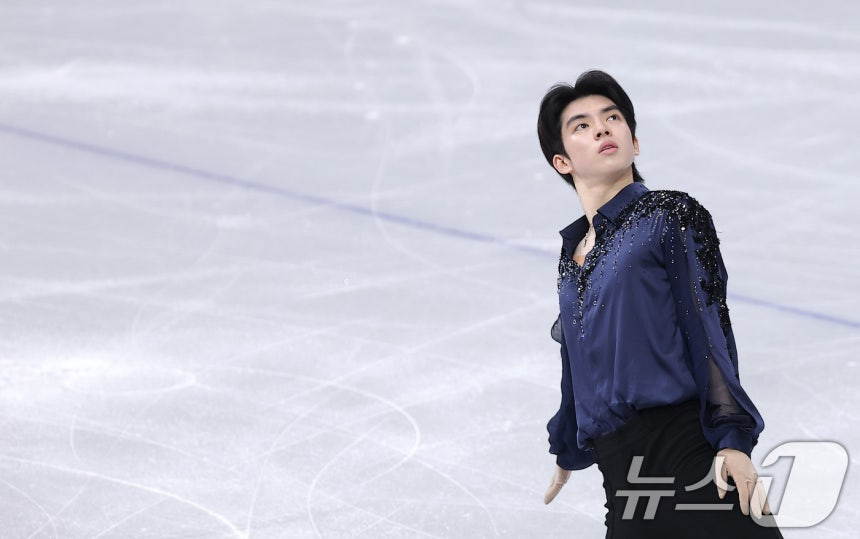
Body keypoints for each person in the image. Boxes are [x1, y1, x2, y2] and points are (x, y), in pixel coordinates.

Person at [537, 70, 783, 538]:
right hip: (623, 476)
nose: (603, 128)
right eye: (582, 125)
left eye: (612, 117)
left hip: (687, 452)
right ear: (562, 161)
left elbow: (707, 323)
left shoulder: (668, 215)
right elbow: (577, 354)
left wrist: (732, 439)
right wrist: (566, 445)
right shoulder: (573, 256)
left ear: (634, 139)